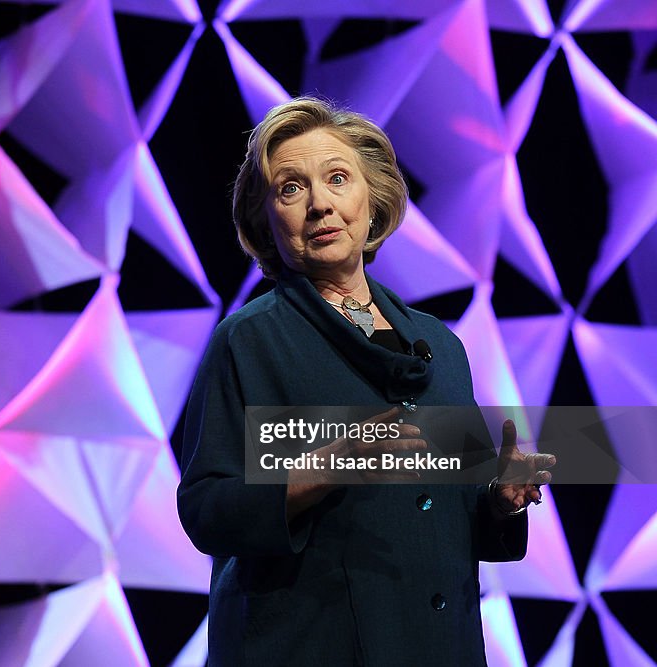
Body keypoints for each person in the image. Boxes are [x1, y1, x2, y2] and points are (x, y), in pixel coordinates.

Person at [176, 96, 555, 666]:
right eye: (290, 188)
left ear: (372, 204)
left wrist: (499, 502)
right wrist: (325, 467)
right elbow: (207, 508)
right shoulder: (249, 341)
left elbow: (437, 510)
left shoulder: (442, 347)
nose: (320, 205)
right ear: (266, 220)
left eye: (336, 179)